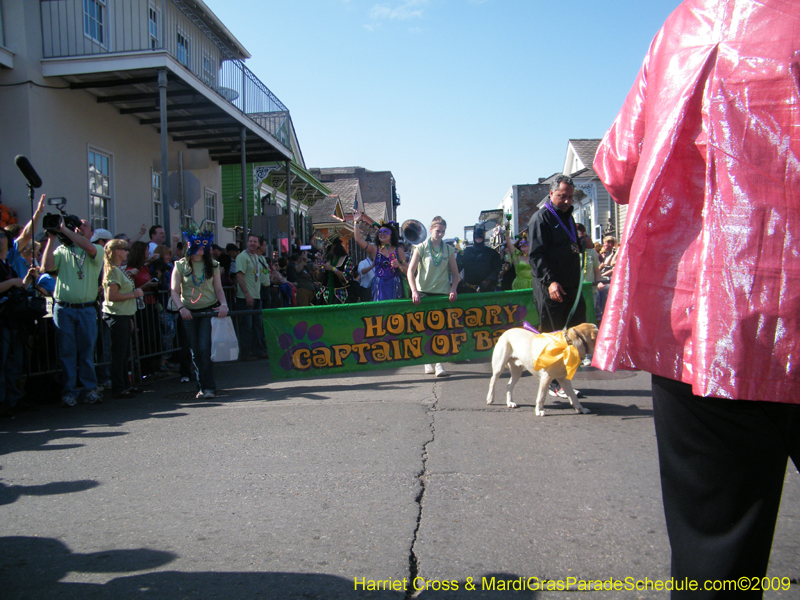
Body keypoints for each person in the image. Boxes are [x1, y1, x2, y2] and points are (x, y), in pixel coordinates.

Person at [592, 1, 799, 596]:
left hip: (696, 325)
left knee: (715, 567)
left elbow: (616, 165)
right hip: (786, 304)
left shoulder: (679, 27)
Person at [528, 175, 587, 400]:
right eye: (562, 196)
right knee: (553, 337)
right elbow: (536, 255)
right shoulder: (541, 218)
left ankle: (566, 380)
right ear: (551, 193)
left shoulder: (569, 217)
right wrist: (550, 281)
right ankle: (553, 383)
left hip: (572, 286)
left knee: (573, 335)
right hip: (551, 287)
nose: (567, 201)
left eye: (570, 197)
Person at [42, 218, 105, 406]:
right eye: (77, 225)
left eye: (84, 225)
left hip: (86, 309)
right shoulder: (62, 250)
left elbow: (89, 248)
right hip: (64, 309)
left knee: (86, 352)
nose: (79, 227)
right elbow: (46, 267)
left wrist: (64, 229)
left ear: (91, 233)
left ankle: (89, 390)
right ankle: (69, 391)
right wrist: (52, 238)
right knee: (67, 352)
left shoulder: (96, 249)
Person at [170, 226, 228, 399]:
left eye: (204, 244)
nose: (202, 247)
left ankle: (209, 387)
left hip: (207, 311)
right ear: (189, 245)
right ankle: (201, 386)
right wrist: (181, 307)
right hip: (188, 312)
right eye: (197, 243)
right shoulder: (180, 265)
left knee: (204, 348)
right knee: (194, 350)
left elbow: (218, 289)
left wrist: (224, 304)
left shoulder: (213, 265)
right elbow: (173, 290)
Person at [407, 216, 460, 377]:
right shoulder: (421, 247)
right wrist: (414, 291)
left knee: (440, 329)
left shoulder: (449, 250)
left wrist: (453, 289)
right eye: (438, 231)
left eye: (443, 231)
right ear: (431, 230)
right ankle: (427, 361)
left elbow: (456, 274)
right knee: (424, 328)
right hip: (423, 293)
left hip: (441, 294)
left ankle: (439, 363)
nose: (441, 234)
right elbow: (410, 271)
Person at [0, 227, 38, 417]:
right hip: (2, 318)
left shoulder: (8, 265)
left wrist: (28, 279)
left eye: (1, 235)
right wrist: (13, 282)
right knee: (2, 362)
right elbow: (10, 285)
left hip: (13, 319)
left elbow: (20, 286)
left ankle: (13, 399)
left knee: (14, 362)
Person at [101, 239, 145, 399]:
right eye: (125, 249)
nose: (127, 252)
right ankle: (118, 387)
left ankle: (126, 384)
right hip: (116, 315)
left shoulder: (118, 270)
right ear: (117, 251)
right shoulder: (112, 271)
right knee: (119, 353)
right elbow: (111, 296)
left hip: (124, 315)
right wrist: (134, 294)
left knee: (125, 353)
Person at [353, 210, 407, 301]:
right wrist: (356, 222)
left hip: (395, 286)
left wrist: (399, 266)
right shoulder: (374, 249)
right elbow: (358, 240)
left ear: (391, 235)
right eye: (380, 232)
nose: (382, 234)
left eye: (385, 232)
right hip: (379, 287)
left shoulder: (399, 250)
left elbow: (408, 271)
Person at [235, 233, 267, 361]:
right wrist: (247, 294)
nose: (253, 243)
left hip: (256, 296)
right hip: (245, 297)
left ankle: (257, 351)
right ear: (247, 243)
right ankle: (245, 353)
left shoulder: (256, 257)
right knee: (246, 327)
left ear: (258, 244)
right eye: (250, 241)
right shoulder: (242, 257)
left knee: (257, 326)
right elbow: (239, 276)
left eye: (255, 241)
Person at [457, 222, 501, 294]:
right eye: (477, 236)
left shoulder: (492, 253)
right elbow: (457, 269)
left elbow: (496, 271)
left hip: (486, 290)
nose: (479, 238)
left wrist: (487, 281)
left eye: (480, 236)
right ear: (474, 236)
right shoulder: (466, 252)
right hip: (468, 290)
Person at [317, 237, 356, 304]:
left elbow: (346, 277)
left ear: (334, 246)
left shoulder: (346, 259)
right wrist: (319, 270)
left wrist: (333, 269)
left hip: (340, 295)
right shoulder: (327, 259)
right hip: (325, 294)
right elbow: (320, 279)